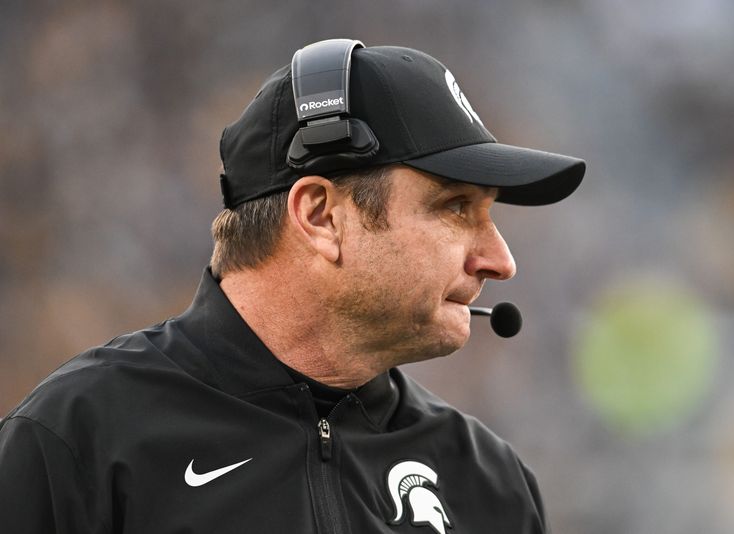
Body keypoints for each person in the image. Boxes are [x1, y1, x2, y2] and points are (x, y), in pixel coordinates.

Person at [0, 39, 584, 534]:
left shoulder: (488, 483)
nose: (499, 260)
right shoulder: (77, 441)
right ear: (321, 215)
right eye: (456, 207)